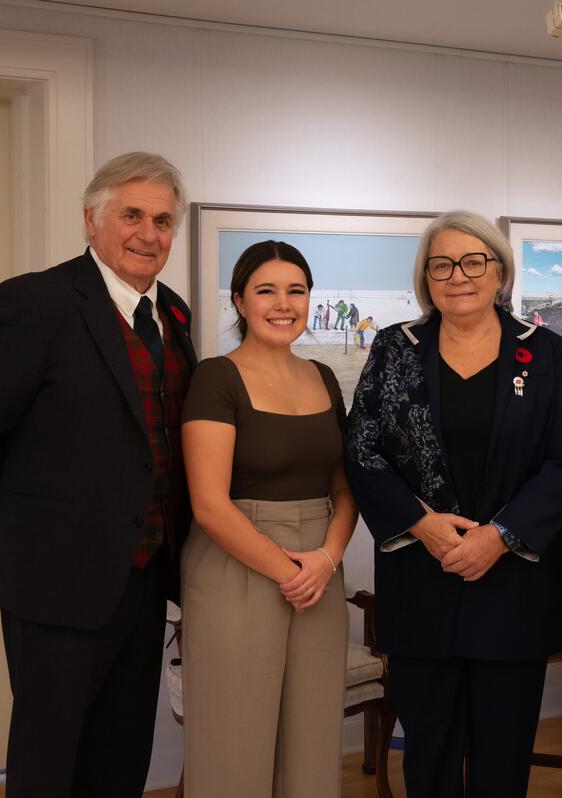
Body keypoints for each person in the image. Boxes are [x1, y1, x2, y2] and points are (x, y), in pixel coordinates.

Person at [0, 152, 195, 798]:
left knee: (122, 758)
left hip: (143, 586)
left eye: (163, 220)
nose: (148, 233)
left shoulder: (176, 318)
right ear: (91, 220)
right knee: (49, 765)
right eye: (131, 214)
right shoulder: (35, 305)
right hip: (53, 585)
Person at [345, 211, 562, 797]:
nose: (459, 276)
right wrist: (421, 525)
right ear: (426, 277)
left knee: (504, 757)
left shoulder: (545, 351)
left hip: (513, 584)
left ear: (499, 272)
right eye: (442, 264)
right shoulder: (393, 348)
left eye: (474, 261)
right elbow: (361, 449)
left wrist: (499, 536)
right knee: (429, 754)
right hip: (421, 580)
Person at [179, 240, 356, 797]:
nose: (283, 304)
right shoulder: (216, 377)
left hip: (319, 569)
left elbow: (347, 487)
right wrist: (288, 570)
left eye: (296, 291)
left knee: (313, 739)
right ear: (239, 300)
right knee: (234, 743)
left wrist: (327, 559)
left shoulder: (325, 378)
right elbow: (209, 505)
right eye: (266, 291)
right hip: (238, 565)